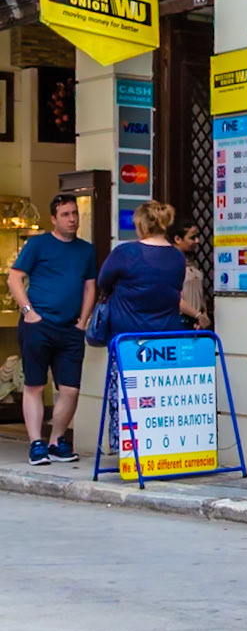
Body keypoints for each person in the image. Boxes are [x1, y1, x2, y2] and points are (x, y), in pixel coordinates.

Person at [6, 193, 97, 465]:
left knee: (70, 389)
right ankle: (36, 442)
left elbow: (90, 286)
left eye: (74, 214)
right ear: (54, 219)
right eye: (66, 214)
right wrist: (28, 312)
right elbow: (14, 278)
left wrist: (83, 320)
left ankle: (57, 440)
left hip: (70, 328)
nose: (72, 219)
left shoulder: (86, 250)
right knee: (35, 384)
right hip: (38, 325)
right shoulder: (38, 244)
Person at [98, 201, 187, 336]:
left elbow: (103, 282)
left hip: (129, 335)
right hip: (168, 335)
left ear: (142, 225)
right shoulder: (178, 257)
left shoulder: (125, 253)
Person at [173, 219, 211, 329]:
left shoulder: (191, 261)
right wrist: (198, 315)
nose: (197, 241)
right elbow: (173, 297)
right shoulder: (170, 263)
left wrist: (203, 314)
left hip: (197, 322)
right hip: (180, 321)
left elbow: (200, 292)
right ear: (178, 239)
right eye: (192, 238)